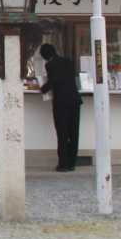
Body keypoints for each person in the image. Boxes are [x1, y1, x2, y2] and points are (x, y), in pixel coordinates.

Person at [38, 43, 81, 172]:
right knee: (74, 132)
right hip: (75, 100)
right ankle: (72, 163)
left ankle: (63, 164)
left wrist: (42, 88)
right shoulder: (68, 61)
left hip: (61, 103)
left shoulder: (50, 65)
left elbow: (53, 81)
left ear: (45, 56)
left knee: (62, 133)